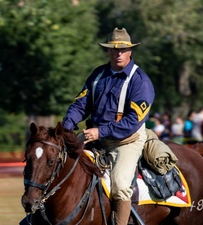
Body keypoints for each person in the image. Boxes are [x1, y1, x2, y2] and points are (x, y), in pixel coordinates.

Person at [62, 27, 155, 225]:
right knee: (61, 166)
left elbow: (131, 122)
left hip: (126, 142)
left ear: (130, 51)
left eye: (122, 49)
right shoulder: (97, 75)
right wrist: (66, 127)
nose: (118, 53)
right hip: (94, 137)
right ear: (108, 51)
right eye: (113, 49)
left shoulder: (140, 82)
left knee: (120, 186)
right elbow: (81, 104)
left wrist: (100, 131)